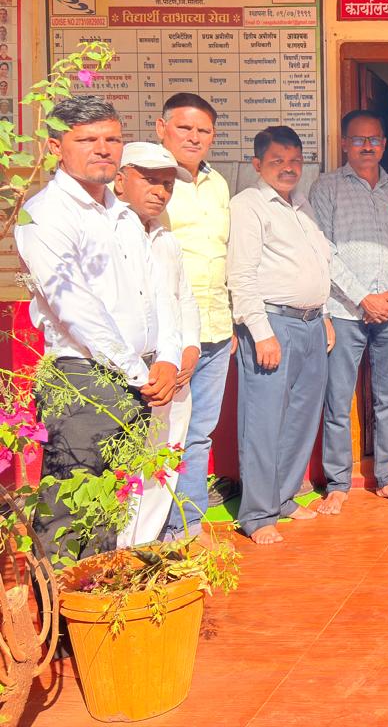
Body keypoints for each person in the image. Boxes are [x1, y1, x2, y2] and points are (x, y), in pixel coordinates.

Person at [16, 98, 181, 558]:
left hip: (139, 377)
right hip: (84, 380)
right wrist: (139, 371)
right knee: (70, 515)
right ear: (56, 147)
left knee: (112, 510)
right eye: (87, 139)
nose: (103, 149)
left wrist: (167, 357)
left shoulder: (122, 213)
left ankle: (100, 600)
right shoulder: (46, 214)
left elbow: (159, 292)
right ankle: (62, 605)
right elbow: (74, 307)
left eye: (112, 139)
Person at [228, 126, 334, 545]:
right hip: (273, 324)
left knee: (301, 417)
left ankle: (284, 496)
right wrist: (261, 332)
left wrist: (325, 315)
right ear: (258, 164)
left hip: (312, 324)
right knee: (264, 420)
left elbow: (317, 265)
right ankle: (257, 514)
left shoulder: (302, 205)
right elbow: (241, 274)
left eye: (294, 161)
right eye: (277, 161)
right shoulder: (249, 206)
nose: (288, 168)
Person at [310, 110, 388, 515]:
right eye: (358, 139)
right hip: (344, 310)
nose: (367, 146)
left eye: (374, 139)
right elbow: (324, 249)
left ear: (384, 144)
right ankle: (338, 483)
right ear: (344, 143)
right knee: (338, 399)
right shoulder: (327, 187)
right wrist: (363, 298)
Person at [111, 143, 201, 546]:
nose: (160, 191)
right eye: (149, 180)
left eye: (167, 184)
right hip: (130, 375)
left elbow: (183, 298)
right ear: (120, 180)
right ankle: (118, 554)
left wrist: (190, 349)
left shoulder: (166, 240)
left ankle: (143, 550)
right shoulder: (107, 234)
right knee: (124, 471)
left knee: (162, 464)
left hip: (174, 373)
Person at [155, 92, 233, 540]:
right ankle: (153, 529)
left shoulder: (218, 184)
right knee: (162, 433)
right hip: (169, 334)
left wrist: (231, 320)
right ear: (162, 128)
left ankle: (187, 524)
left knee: (200, 431)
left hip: (216, 328)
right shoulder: (150, 180)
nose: (194, 137)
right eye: (184, 127)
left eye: (203, 130)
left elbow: (223, 254)